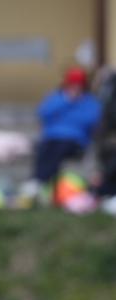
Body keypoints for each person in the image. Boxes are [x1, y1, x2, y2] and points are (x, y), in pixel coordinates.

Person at [22, 67, 102, 203]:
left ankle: (38, 181)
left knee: (59, 147)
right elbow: (44, 113)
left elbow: (91, 121)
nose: (75, 88)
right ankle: (38, 182)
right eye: (72, 84)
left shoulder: (90, 102)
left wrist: (75, 106)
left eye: (78, 85)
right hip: (52, 138)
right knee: (45, 149)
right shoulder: (57, 98)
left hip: (75, 140)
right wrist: (66, 101)